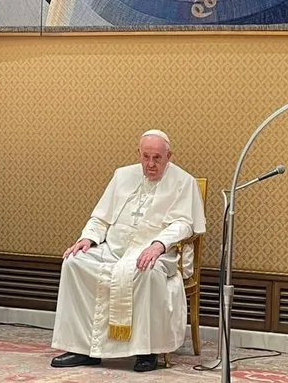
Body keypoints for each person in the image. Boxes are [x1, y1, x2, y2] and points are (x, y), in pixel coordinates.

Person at [50, 130, 206, 372]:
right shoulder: (122, 175)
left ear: (169, 156)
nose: (150, 164)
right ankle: (83, 348)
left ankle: (147, 351)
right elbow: (100, 217)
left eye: (157, 158)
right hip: (114, 249)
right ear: (139, 154)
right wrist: (87, 238)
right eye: (146, 157)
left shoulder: (184, 182)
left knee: (148, 272)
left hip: (155, 252)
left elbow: (184, 224)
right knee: (73, 262)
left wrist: (158, 245)